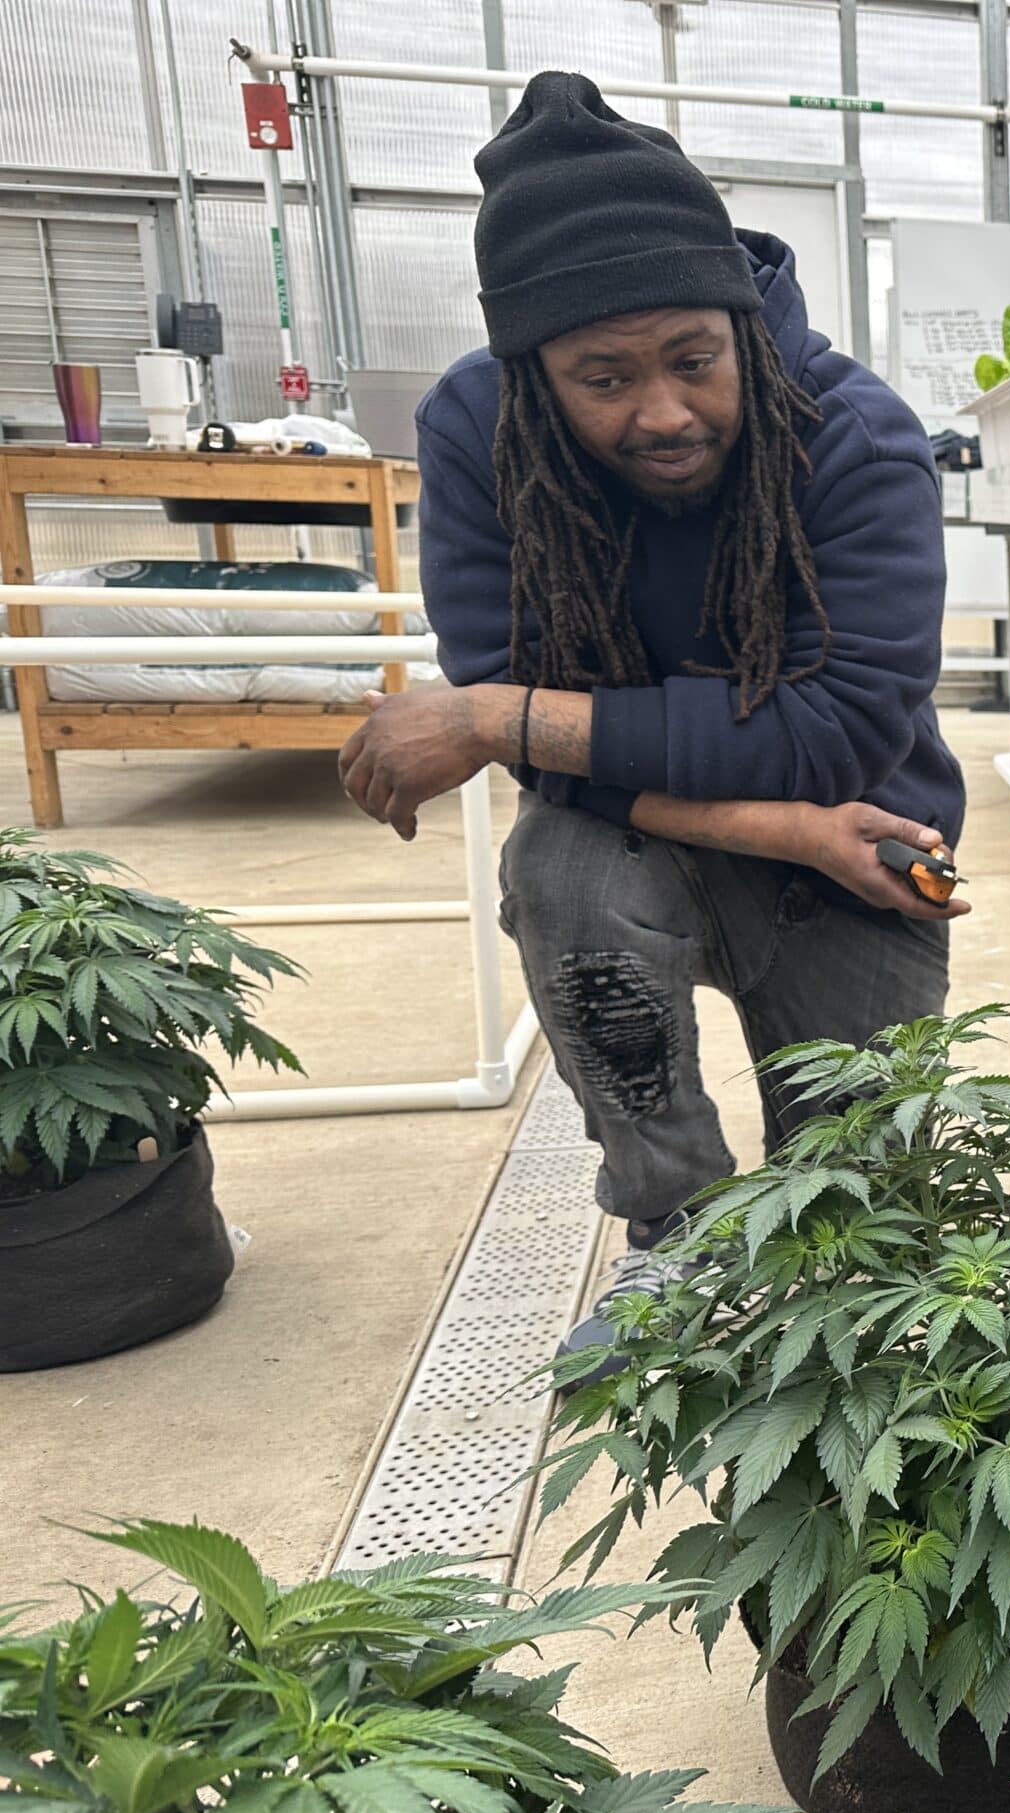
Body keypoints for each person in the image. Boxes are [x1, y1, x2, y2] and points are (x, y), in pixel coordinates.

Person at [337, 71, 966, 1357]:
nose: (664, 410)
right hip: (761, 834)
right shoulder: (475, 432)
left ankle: (844, 1297)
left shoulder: (854, 439)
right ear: (535, 377)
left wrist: (493, 719)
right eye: (604, 377)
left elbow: (833, 739)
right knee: (563, 868)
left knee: (869, 1208)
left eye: (694, 359)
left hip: (867, 849)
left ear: (741, 322)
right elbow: (553, 751)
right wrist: (783, 827)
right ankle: (679, 1241)